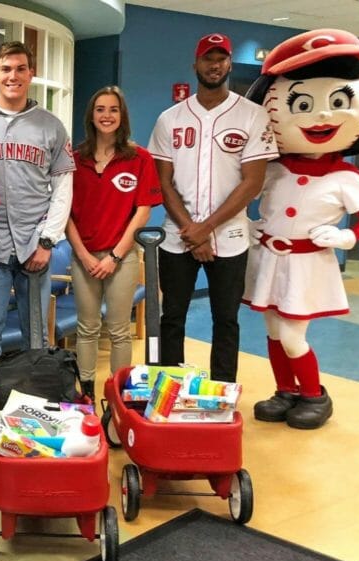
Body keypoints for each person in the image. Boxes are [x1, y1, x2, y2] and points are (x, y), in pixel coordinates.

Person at [243, 29, 359, 429]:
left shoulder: (346, 176)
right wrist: (251, 224)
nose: (322, 116)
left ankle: (313, 394)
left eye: (336, 103)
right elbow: (251, 196)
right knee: (273, 333)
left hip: (307, 264)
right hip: (270, 259)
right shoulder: (274, 168)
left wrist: (348, 237)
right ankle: (285, 390)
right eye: (304, 104)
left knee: (293, 336)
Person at [148, 34, 278, 382]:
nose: (214, 64)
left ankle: (222, 392)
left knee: (226, 320)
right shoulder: (170, 118)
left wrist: (206, 228)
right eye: (208, 57)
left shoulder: (253, 115)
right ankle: (168, 387)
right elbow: (163, 182)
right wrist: (194, 229)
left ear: (230, 64)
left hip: (231, 236)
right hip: (179, 235)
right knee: (171, 316)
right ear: (196, 64)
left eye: (221, 58)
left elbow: (252, 182)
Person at [0, 40, 75, 431]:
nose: (13, 76)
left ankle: (37, 409)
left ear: (31, 74)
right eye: (5, 68)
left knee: (36, 335)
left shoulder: (50, 125)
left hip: (35, 247)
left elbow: (63, 187)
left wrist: (48, 241)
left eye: (20, 68)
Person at [66, 86, 161, 399]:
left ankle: (118, 395)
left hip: (122, 258)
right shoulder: (75, 159)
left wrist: (115, 257)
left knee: (119, 330)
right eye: (100, 109)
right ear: (91, 116)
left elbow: (143, 212)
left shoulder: (139, 159)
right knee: (87, 328)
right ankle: (87, 394)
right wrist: (83, 255)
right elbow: (64, 212)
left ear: (122, 117)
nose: (106, 116)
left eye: (113, 110)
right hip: (84, 257)